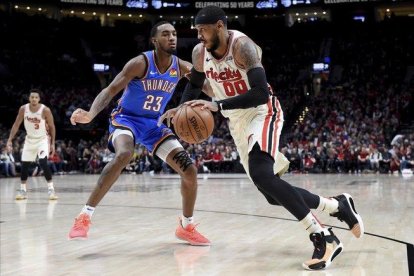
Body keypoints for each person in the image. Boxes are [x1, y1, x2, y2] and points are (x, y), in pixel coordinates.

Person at [159, 7, 364, 270]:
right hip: (237, 121)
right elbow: (195, 83)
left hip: (262, 112)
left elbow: (260, 94)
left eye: (204, 29)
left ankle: (322, 236)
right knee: (271, 193)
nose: (199, 35)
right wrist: (181, 108)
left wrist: (218, 106)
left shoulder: (243, 46)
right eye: (197, 30)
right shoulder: (200, 53)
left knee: (262, 174)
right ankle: (337, 205)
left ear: (220, 26)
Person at [68, 21, 212, 246]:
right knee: (124, 154)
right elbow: (111, 89)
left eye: (174, 34)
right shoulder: (140, 62)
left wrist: (226, 102)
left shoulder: (180, 66)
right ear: (154, 40)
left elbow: (205, 85)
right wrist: (90, 114)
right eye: (166, 34)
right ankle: (84, 216)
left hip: (153, 125)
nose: (172, 37)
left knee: (190, 171)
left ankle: (186, 226)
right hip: (126, 120)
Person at [7, 89, 58, 200]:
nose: (34, 99)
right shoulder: (23, 109)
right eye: (32, 97)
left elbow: (52, 126)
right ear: (29, 98)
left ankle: (51, 190)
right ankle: (23, 190)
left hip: (42, 140)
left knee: (43, 162)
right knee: (25, 165)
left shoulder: (45, 110)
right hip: (29, 140)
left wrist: (53, 143)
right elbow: (16, 124)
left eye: (36, 97)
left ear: (39, 99)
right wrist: (9, 139)